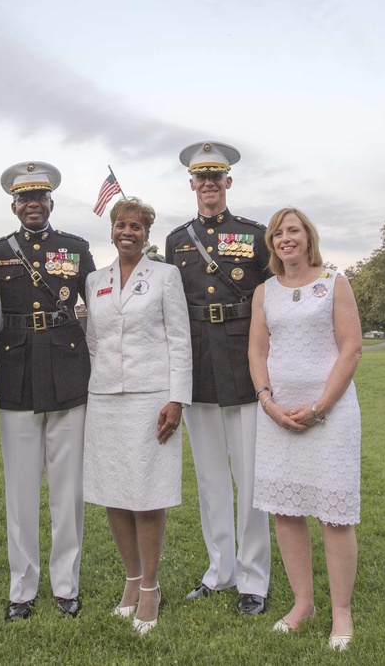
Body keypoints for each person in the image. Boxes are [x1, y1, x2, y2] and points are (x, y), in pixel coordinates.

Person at [0, 162, 95, 621]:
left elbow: (101, 302)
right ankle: (21, 589)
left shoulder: (75, 247)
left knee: (68, 489)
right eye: (25, 199)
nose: (33, 205)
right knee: (21, 488)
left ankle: (66, 584)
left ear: (50, 203)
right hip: (17, 372)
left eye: (40, 198)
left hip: (68, 370)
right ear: (14, 205)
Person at [248, 207, 362, 652]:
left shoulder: (334, 282)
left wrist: (319, 407)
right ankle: (303, 603)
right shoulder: (264, 292)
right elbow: (258, 351)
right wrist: (268, 402)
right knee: (286, 510)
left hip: (328, 415)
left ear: (308, 237)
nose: (284, 238)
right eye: (277, 233)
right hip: (277, 416)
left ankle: (341, 612)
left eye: (292, 230)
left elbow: (350, 348)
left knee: (333, 513)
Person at [164, 141, 271, 615]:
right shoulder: (176, 239)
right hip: (199, 360)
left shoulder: (254, 233)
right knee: (210, 477)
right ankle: (219, 570)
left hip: (243, 355)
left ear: (228, 182)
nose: (209, 184)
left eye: (216, 177)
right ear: (191, 184)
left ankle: (254, 578)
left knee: (249, 477)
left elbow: (270, 301)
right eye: (200, 177)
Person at [83, 197, 192, 635]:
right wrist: (99, 381)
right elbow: (93, 340)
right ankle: (129, 580)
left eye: (137, 226)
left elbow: (180, 339)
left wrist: (177, 398)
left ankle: (150, 586)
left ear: (147, 234)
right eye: (121, 225)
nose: (128, 232)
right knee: (113, 491)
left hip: (153, 398)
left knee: (147, 493)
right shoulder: (95, 280)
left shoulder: (166, 275)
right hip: (106, 397)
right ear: (111, 230)